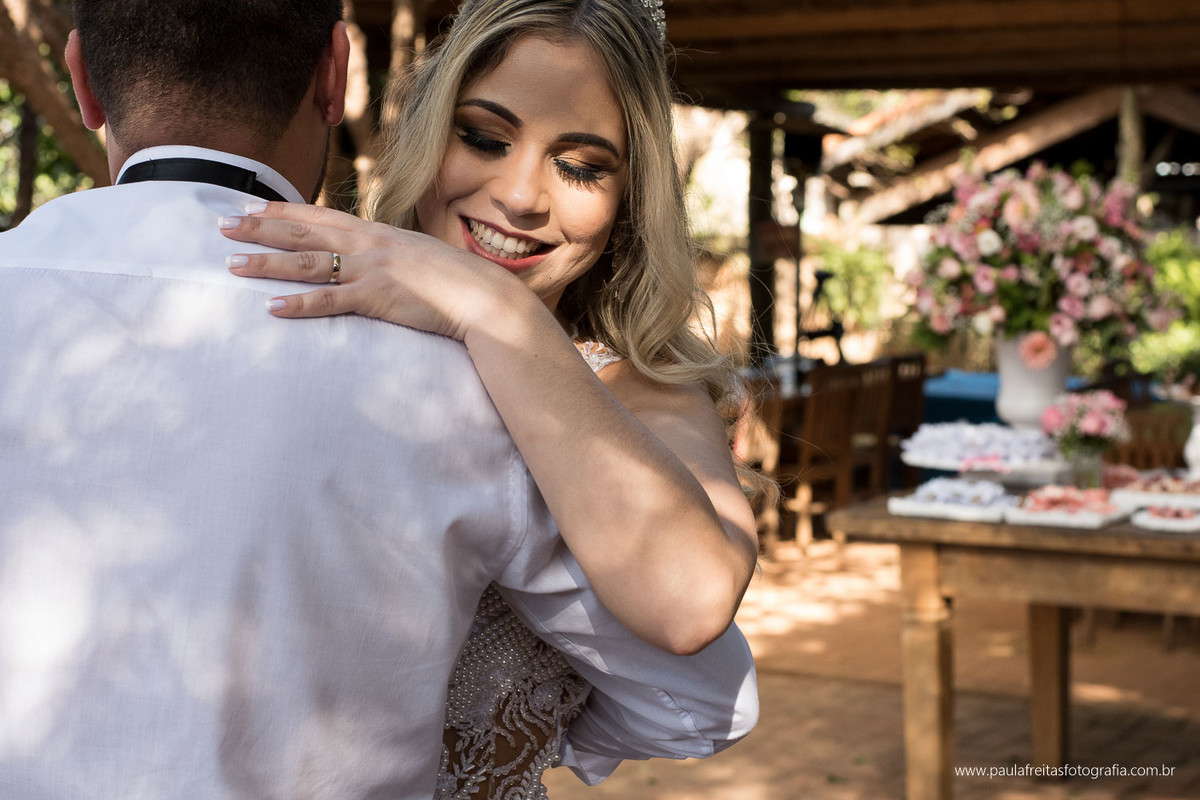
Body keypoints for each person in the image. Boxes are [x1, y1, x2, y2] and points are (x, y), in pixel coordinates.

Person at [0, 1, 758, 798]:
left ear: (630, 192)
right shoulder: (333, 311)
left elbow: (694, 650)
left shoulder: (640, 393)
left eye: (581, 165)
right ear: (425, 126)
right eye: (485, 138)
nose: (524, 195)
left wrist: (495, 314)